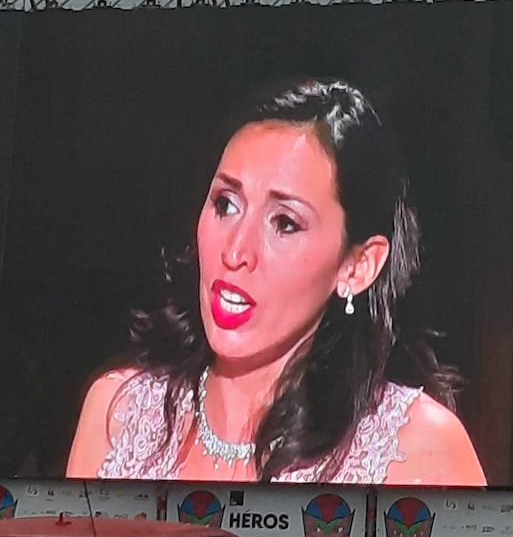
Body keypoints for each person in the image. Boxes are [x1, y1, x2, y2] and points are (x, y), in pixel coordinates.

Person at [66, 78, 487, 486]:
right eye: (226, 204)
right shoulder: (118, 416)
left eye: (285, 223)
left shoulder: (421, 450)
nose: (235, 252)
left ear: (357, 266)